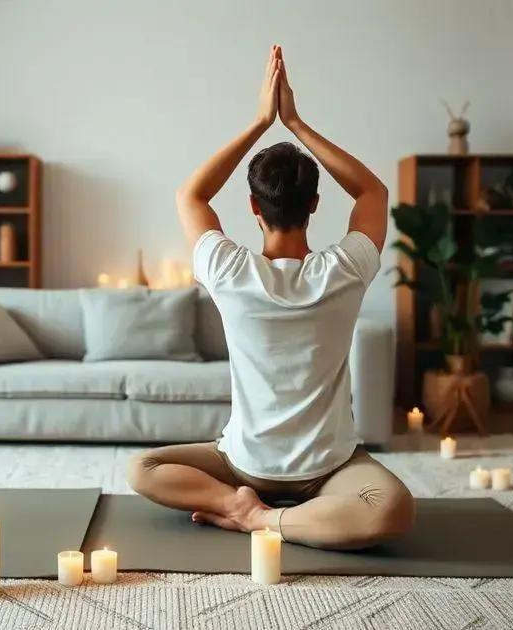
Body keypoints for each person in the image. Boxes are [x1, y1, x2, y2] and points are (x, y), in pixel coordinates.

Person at [126, 45, 414, 550]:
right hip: (329, 469)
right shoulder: (345, 269)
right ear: (317, 205)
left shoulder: (228, 269)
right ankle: (266, 516)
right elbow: (373, 192)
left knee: (142, 468)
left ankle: (248, 513)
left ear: (253, 205)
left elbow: (191, 196)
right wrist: (296, 122)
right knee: (389, 507)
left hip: (250, 466)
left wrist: (262, 120)